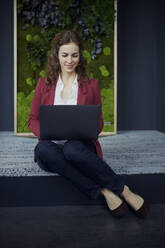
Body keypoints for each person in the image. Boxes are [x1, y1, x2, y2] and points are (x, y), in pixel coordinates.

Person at [28, 30, 149, 218]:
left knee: (72, 150)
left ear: (80, 56)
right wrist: (45, 132)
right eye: (65, 55)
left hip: (79, 148)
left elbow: (98, 121)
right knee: (43, 150)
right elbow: (32, 119)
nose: (70, 60)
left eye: (74, 55)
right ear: (56, 56)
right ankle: (106, 190)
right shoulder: (44, 84)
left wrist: (91, 129)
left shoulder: (90, 85)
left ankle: (123, 191)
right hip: (52, 149)